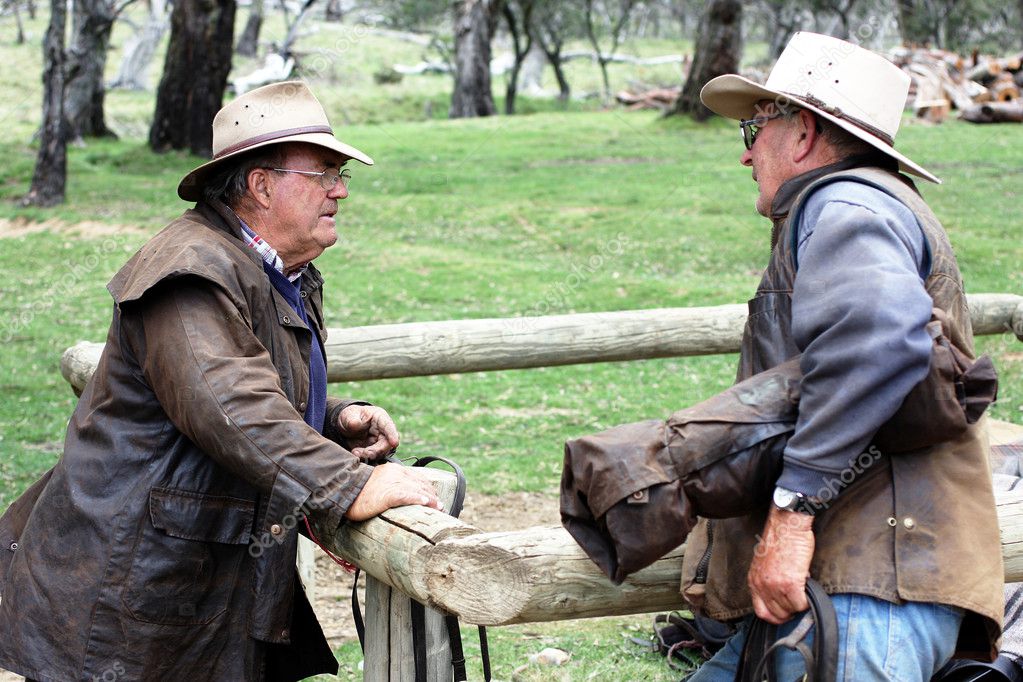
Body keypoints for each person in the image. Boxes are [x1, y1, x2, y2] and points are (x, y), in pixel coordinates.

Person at [0, 81, 442, 681]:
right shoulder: (191, 272)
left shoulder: (273, 269)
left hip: (179, 580)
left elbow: (237, 385)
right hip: (131, 591)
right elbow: (228, 405)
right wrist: (348, 484)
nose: (340, 189)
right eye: (324, 174)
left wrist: (332, 419)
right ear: (261, 185)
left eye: (339, 175)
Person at [680, 32, 1003, 680]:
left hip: (867, 593)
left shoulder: (843, 204)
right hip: (851, 588)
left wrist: (791, 514)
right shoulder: (852, 202)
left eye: (754, 128)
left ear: (801, 133)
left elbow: (881, 337)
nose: (746, 153)